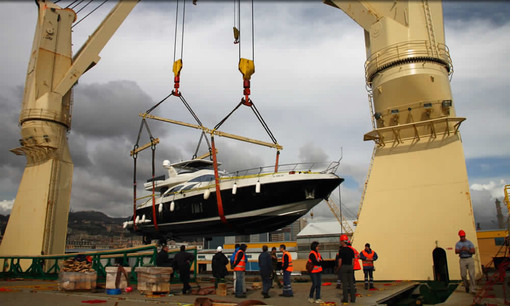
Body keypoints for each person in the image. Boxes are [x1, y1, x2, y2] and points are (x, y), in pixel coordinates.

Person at [455, 229, 476, 294]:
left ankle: (473, 289)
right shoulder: (458, 244)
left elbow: (473, 251)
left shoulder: (469, 243)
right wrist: (461, 250)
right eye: (461, 236)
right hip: (462, 259)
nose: (462, 237)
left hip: (469, 258)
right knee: (463, 275)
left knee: (471, 274)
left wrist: (467, 250)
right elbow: (456, 251)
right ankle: (467, 286)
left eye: (463, 236)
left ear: (465, 236)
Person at [338, 235, 356, 303]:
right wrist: (352, 267)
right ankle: (353, 299)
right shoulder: (351, 250)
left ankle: (345, 299)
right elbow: (353, 260)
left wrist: (338, 268)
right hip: (350, 267)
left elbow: (340, 261)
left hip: (344, 267)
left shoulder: (341, 250)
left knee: (345, 284)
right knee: (351, 283)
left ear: (342, 242)